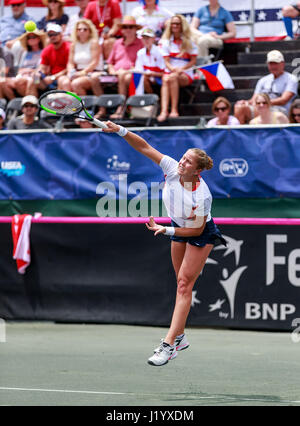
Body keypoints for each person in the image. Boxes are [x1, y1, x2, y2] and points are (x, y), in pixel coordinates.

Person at [102, 120, 226, 366]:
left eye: (188, 161)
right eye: (183, 158)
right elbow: (145, 147)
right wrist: (121, 130)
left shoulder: (201, 195)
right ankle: (180, 336)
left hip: (198, 233)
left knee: (183, 285)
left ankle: (169, 345)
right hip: (176, 227)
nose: (182, 162)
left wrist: (166, 229)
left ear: (197, 171)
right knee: (179, 281)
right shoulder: (172, 168)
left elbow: (196, 229)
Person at [234, 50, 298, 124]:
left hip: (280, 109)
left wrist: (264, 103)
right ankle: (241, 134)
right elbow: (254, 100)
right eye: (271, 63)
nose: (273, 66)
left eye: (276, 63)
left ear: (282, 64)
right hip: (261, 108)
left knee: (263, 109)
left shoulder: (291, 79)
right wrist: (245, 102)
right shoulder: (263, 80)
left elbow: (284, 100)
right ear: (268, 64)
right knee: (239, 107)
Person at [157, 14, 198, 122]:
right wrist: (173, 69)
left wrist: (182, 69)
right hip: (171, 71)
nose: (175, 26)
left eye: (177, 24)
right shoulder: (165, 41)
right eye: (173, 23)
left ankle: (174, 110)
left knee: (172, 78)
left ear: (182, 25)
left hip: (185, 72)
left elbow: (193, 61)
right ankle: (164, 110)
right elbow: (166, 61)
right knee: (167, 78)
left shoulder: (190, 41)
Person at [105, 16, 143, 119]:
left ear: (136, 29)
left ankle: (121, 107)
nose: (128, 30)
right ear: (122, 30)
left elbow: (142, 63)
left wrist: (128, 70)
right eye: (125, 27)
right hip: (116, 73)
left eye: (131, 27)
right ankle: (102, 109)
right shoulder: (117, 43)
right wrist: (112, 70)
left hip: (133, 72)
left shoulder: (141, 43)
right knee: (95, 78)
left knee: (124, 76)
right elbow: (110, 62)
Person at [59, 19, 103, 96]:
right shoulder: (74, 44)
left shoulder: (94, 43)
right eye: (79, 29)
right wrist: (71, 71)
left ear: (90, 31)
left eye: (85, 29)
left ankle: (83, 106)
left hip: (92, 72)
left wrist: (82, 73)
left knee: (76, 84)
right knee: (64, 81)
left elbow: (94, 63)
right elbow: (70, 62)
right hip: (77, 72)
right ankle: (70, 106)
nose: (82, 31)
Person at [27, 23, 70, 97]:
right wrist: (38, 73)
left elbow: (70, 68)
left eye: (55, 34)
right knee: (33, 80)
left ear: (61, 35)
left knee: (62, 81)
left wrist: (54, 77)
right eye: (50, 35)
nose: (53, 37)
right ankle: (31, 105)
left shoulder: (68, 47)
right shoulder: (47, 49)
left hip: (64, 77)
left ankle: (65, 106)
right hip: (50, 80)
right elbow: (42, 67)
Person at [3, 29, 47, 100]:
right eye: (29, 38)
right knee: (4, 82)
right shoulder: (25, 53)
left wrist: (30, 71)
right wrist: (27, 71)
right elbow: (20, 69)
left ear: (39, 39)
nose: (31, 39)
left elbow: (42, 69)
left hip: (39, 78)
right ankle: (19, 103)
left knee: (30, 80)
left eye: (33, 37)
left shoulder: (44, 52)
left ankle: (31, 103)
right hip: (24, 76)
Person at [134, 27, 165, 94]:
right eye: (144, 38)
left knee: (144, 78)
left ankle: (152, 99)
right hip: (147, 77)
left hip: (159, 78)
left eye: (148, 38)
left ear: (153, 39)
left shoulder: (160, 52)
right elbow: (138, 69)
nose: (146, 40)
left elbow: (165, 72)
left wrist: (152, 74)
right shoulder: (140, 52)